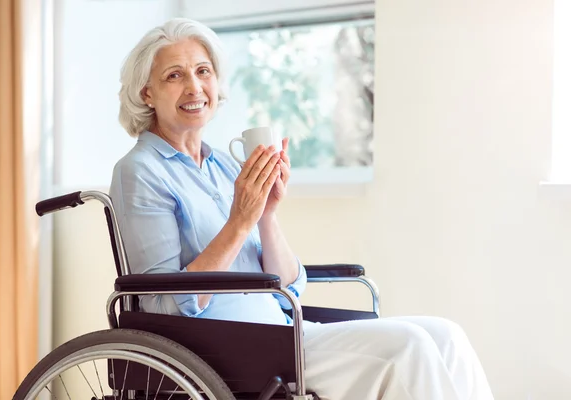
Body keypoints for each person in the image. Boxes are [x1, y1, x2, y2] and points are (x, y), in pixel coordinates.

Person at [109, 18, 494, 400]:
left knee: (447, 336)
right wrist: (240, 222)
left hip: (282, 329)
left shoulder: (223, 166)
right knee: (409, 346)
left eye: (203, 71)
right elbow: (164, 307)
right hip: (224, 349)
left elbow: (287, 287)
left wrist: (266, 215)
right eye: (174, 76)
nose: (194, 86)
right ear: (147, 93)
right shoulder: (139, 171)